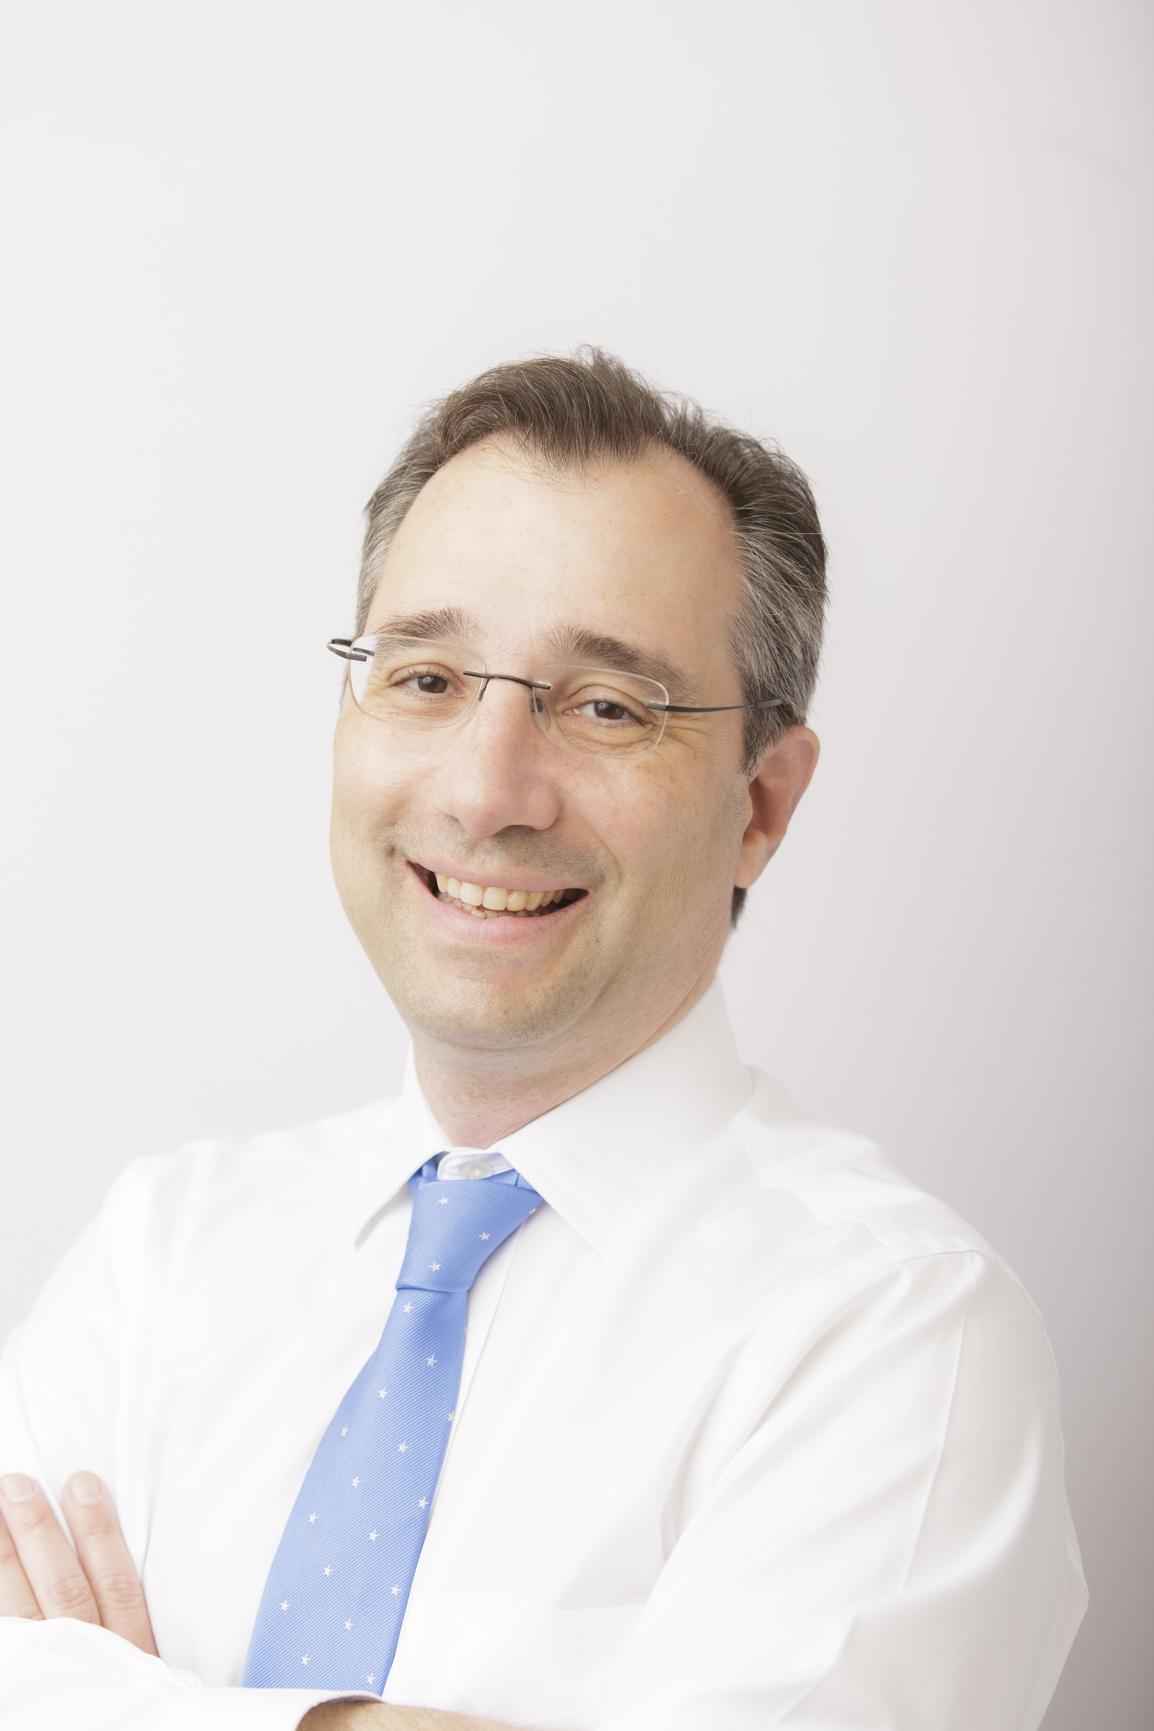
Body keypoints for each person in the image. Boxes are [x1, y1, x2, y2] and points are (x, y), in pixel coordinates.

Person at [0, 346, 1087, 1731]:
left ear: (761, 802)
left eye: (605, 707)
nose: (485, 789)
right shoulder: (162, 1255)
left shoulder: (892, 1332)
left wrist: (117, 1702)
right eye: (428, 678)